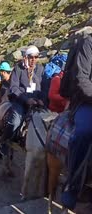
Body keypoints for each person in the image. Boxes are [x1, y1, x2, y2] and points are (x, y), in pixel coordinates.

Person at [59, 34, 92, 210]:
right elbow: (82, 79)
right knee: (84, 132)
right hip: (86, 101)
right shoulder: (89, 44)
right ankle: (73, 185)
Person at [0, 46, 45, 154]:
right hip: (20, 101)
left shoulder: (40, 69)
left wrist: (42, 99)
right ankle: (4, 141)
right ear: (26, 57)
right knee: (14, 121)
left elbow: (44, 86)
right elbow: (14, 87)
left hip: (36, 101)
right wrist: (26, 100)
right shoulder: (18, 68)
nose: (33, 59)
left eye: (36, 57)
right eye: (31, 57)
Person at [0, 61, 13, 159]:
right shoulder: (2, 83)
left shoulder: (13, 81)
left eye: (2, 73)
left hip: (10, 105)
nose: (1, 75)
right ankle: (0, 149)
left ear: (5, 72)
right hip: (3, 105)